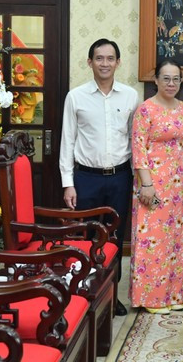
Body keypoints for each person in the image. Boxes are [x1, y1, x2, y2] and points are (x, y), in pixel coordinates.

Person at [59, 38, 138, 316]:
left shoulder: (130, 96)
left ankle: (112, 295)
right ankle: (86, 293)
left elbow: (134, 140)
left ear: (118, 62)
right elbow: (67, 141)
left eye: (110, 58)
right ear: (89, 62)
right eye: (99, 58)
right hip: (86, 179)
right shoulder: (76, 96)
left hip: (119, 178)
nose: (105, 63)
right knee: (88, 239)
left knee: (114, 239)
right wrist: (68, 183)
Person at [129, 59, 183, 314]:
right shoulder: (145, 109)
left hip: (178, 185)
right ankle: (151, 297)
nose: (171, 83)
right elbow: (138, 147)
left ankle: (175, 293)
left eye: (176, 78)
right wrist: (146, 184)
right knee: (152, 238)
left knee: (176, 239)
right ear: (155, 80)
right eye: (165, 78)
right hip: (152, 184)